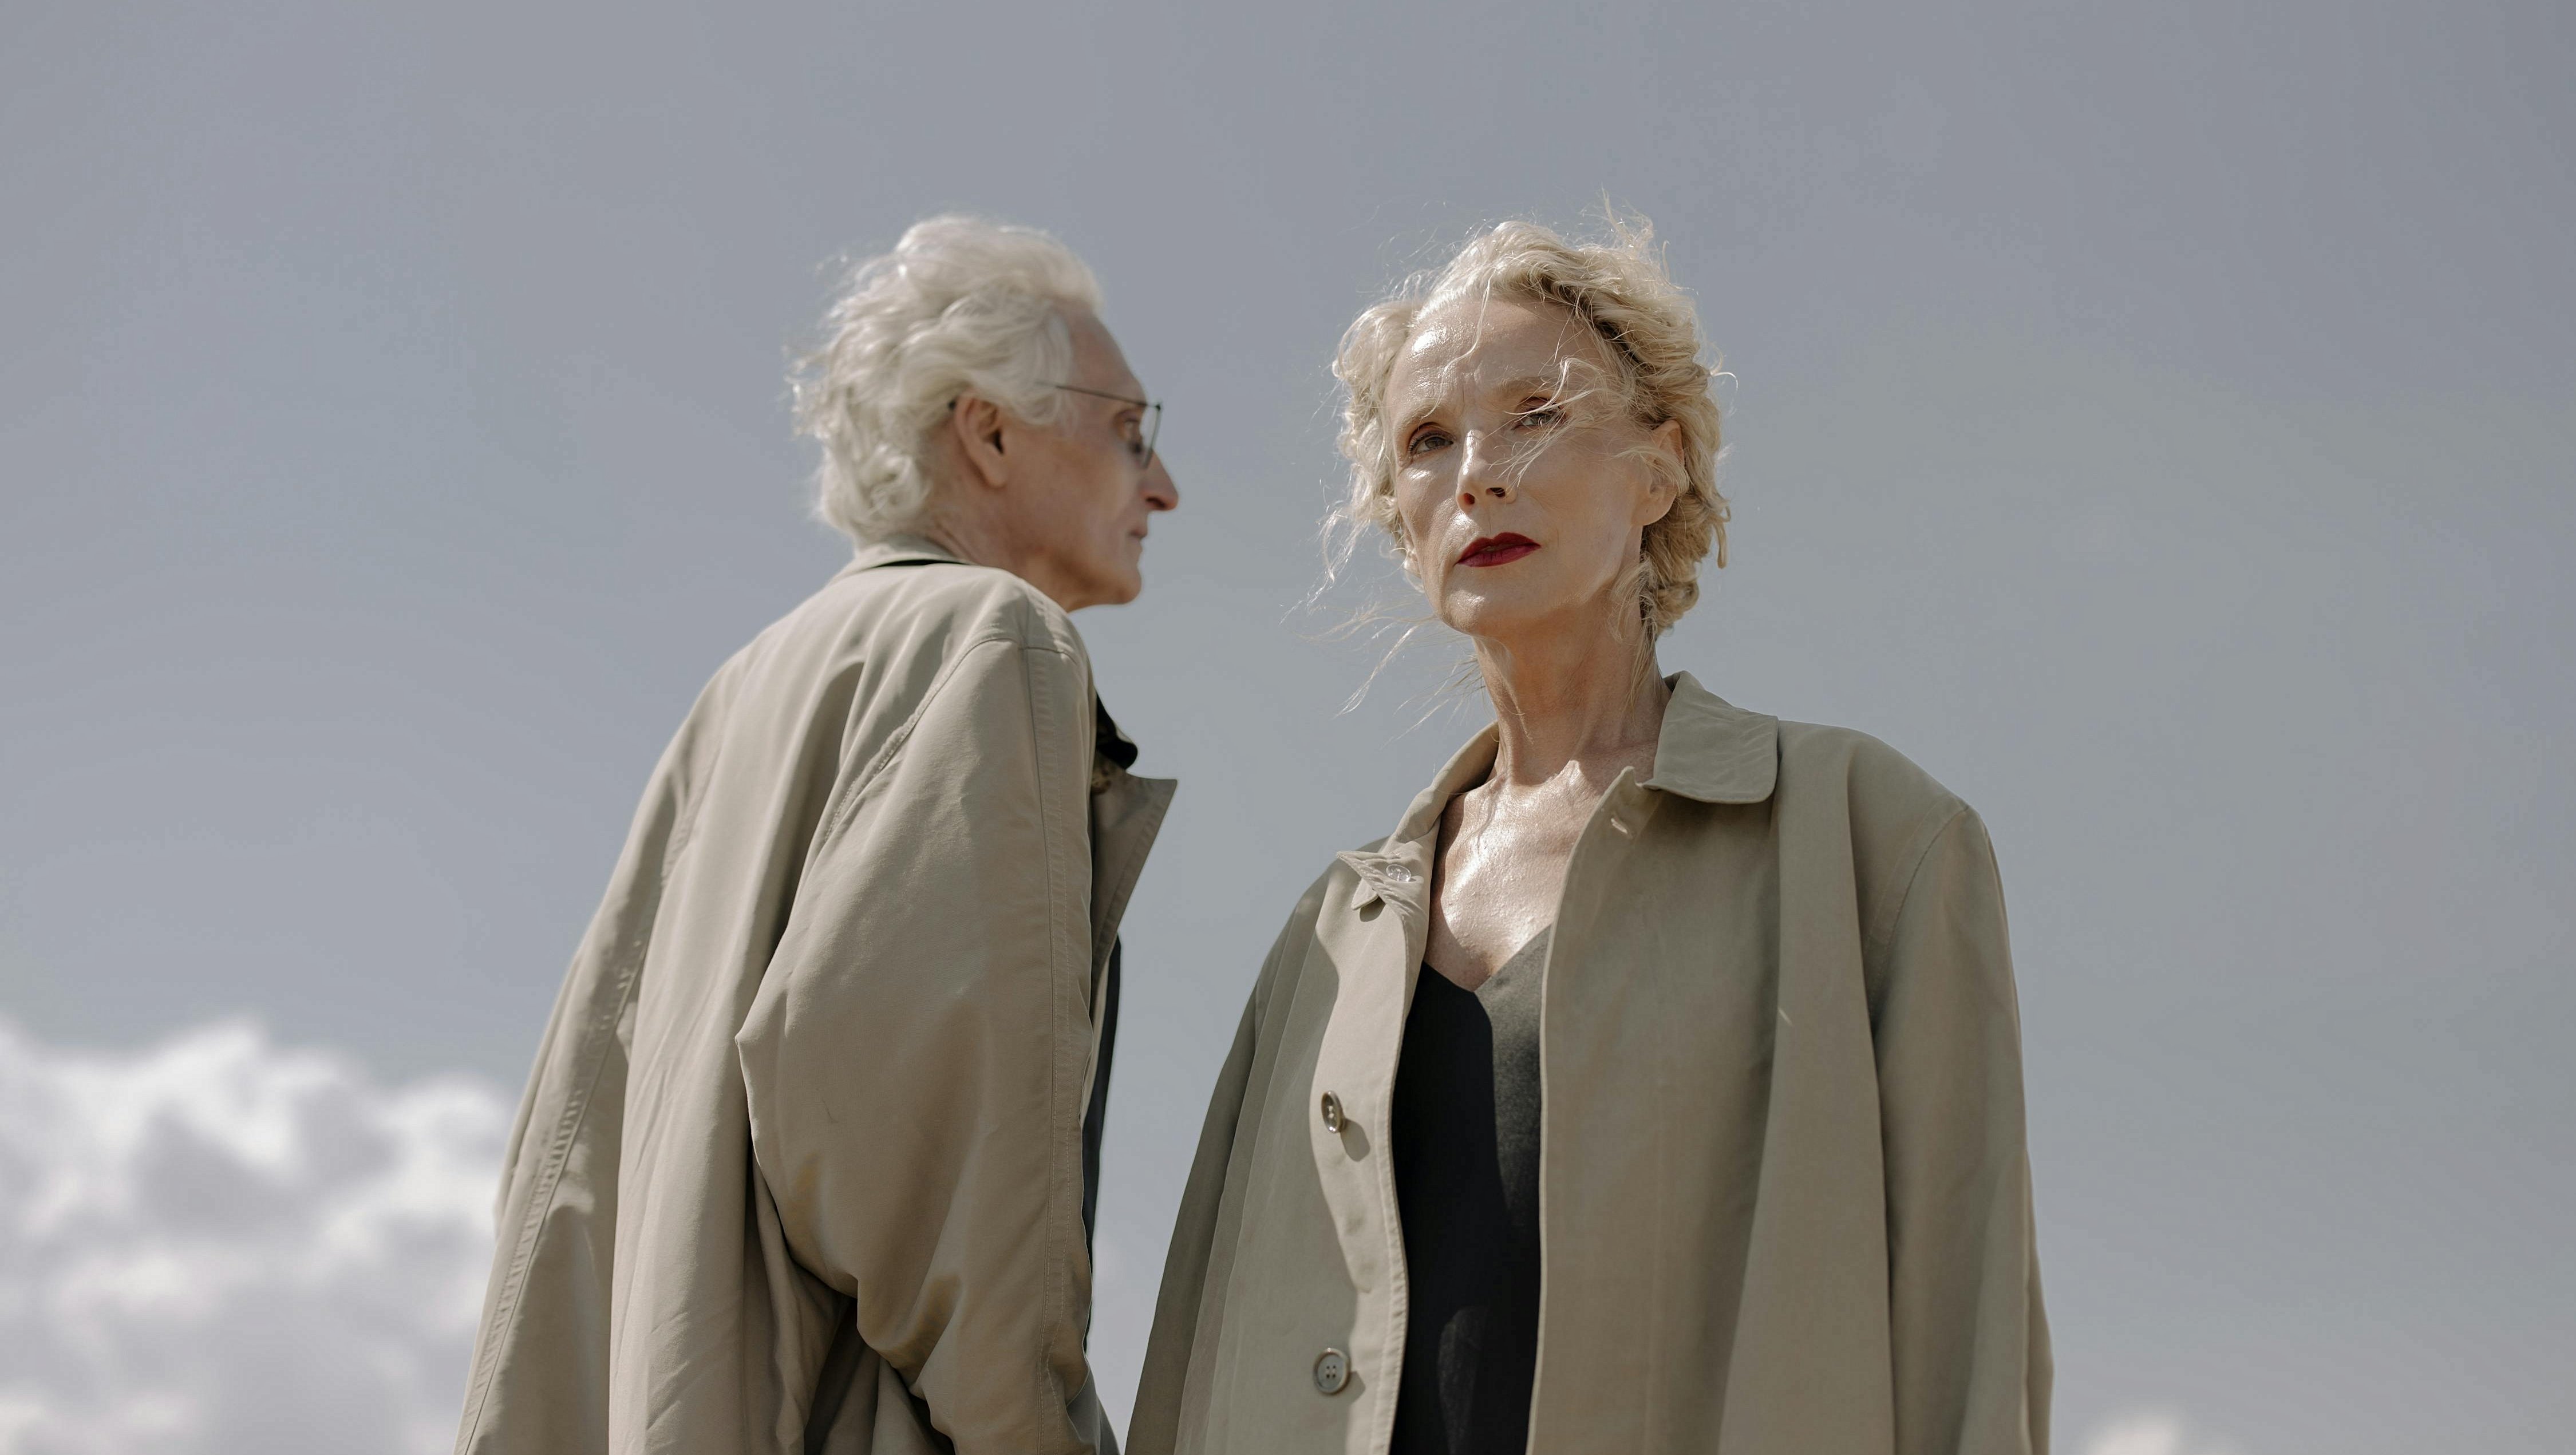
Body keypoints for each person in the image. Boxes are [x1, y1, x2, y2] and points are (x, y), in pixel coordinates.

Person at [1131, 219, 2048, 1455]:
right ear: (1403, 525)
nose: (1478, 474)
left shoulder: (1875, 838)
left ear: (1659, 470)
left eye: (1537, 414)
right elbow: (1198, 1360)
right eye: (1428, 441)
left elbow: (1967, 1342)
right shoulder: (1329, 934)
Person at [455, 216, 1179, 1455]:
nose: (1162, 485)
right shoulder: (993, 637)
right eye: (1130, 430)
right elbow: (948, 1187)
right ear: (989, 432)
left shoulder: (739, 690)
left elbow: (566, 1175)